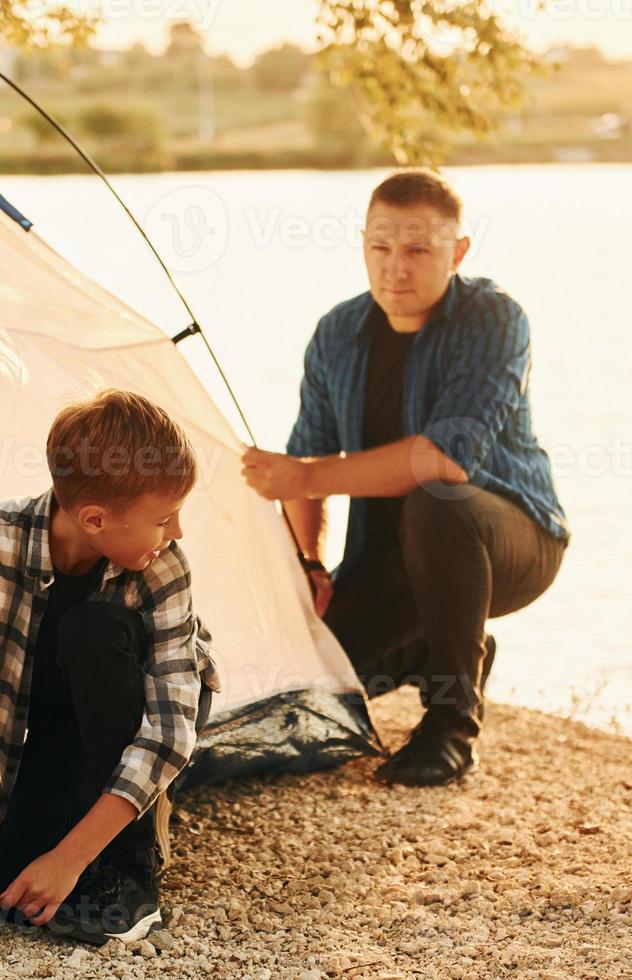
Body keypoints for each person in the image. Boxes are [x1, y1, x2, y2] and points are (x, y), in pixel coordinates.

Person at [242, 169, 568, 788]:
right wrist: (309, 564)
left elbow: (447, 458)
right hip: (390, 561)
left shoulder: (494, 319)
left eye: (418, 250)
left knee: (438, 503)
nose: (396, 268)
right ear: (363, 243)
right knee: (305, 693)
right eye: (380, 248)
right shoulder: (337, 332)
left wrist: (305, 477)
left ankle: (451, 726)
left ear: (459, 252)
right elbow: (303, 460)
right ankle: (438, 650)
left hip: (512, 544)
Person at [0, 389, 220, 944]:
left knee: (91, 628)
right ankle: (27, 813)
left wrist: (71, 858)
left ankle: (132, 865)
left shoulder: (163, 567)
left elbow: (168, 731)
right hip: (54, 715)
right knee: (5, 887)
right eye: (164, 518)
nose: (177, 531)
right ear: (93, 518)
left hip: (147, 708)